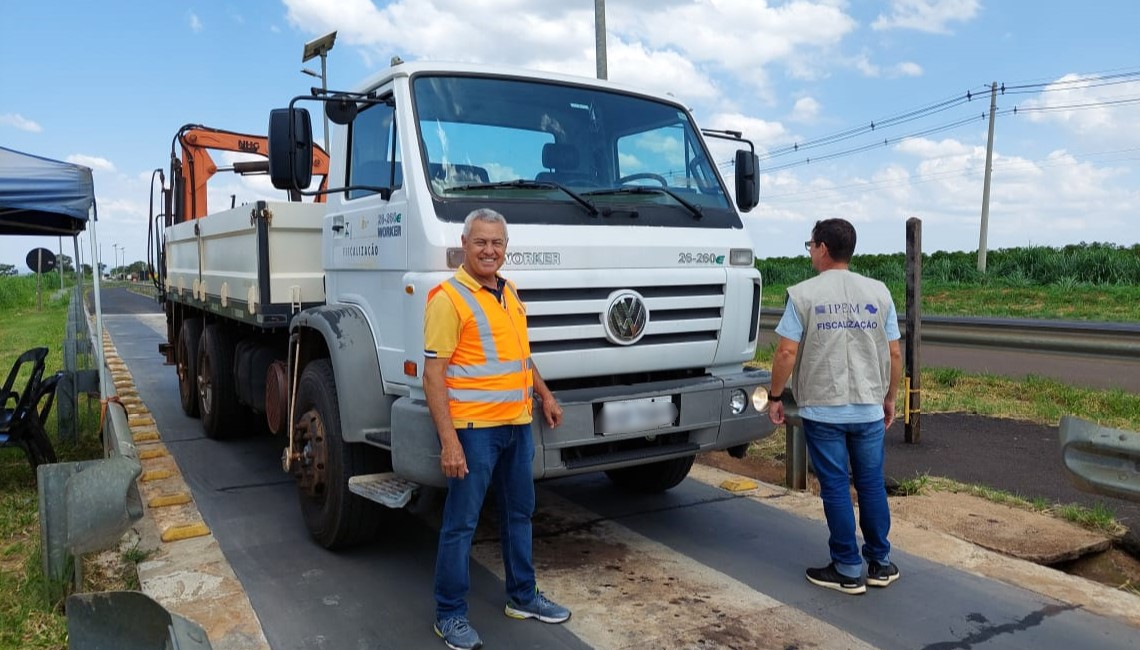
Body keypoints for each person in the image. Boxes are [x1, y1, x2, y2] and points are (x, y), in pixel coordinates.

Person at [424, 208, 571, 650]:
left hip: (516, 425)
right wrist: (449, 442)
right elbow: (434, 375)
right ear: (464, 244)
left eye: (497, 243)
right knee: (461, 524)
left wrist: (543, 394)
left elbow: (520, 356)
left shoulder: (510, 293)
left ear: (506, 248)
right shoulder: (447, 298)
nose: (489, 250)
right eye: (481, 242)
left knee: (519, 514)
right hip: (473, 431)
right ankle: (449, 615)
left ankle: (522, 597)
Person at [767, 218, 903, 596]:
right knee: (871, 484)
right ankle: (880, 562)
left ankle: (846, 567)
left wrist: (775, 396)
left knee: (836, 487)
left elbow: (786, 351)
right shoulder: (879, 293)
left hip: (824, 411)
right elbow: (894, 352)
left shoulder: (803, 295)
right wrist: (890, 397)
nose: (810, 251)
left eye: (810, 245)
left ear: (823, 248)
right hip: (869, 408)